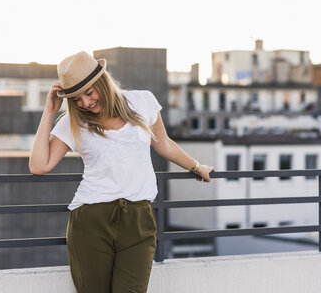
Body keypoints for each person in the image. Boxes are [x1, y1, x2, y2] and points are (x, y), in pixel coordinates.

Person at [29, 51, 214, 293]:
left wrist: (196, 166)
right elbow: (38, 165)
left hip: (138, 218)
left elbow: (164, 144)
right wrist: (50, 111)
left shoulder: (142, 102)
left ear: (102, 82)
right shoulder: (73, 121)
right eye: (76, 98)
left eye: (89, 92)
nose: (85, 103)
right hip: (91, 219)